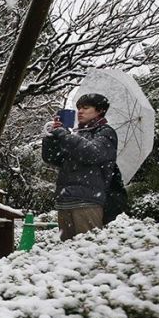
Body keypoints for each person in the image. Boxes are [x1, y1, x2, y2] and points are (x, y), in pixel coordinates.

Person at [41, 93, 125, 241]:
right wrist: (51, 138)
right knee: (66, 252)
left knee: (88, 248)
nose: (80, 111)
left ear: (99, 110)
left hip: (88, 201)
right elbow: (52, 158)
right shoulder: (76, 134)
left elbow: (91, 153)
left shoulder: (105, 132)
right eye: (78, 108)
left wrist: (65, 136)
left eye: (86, 108)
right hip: (65, 200)